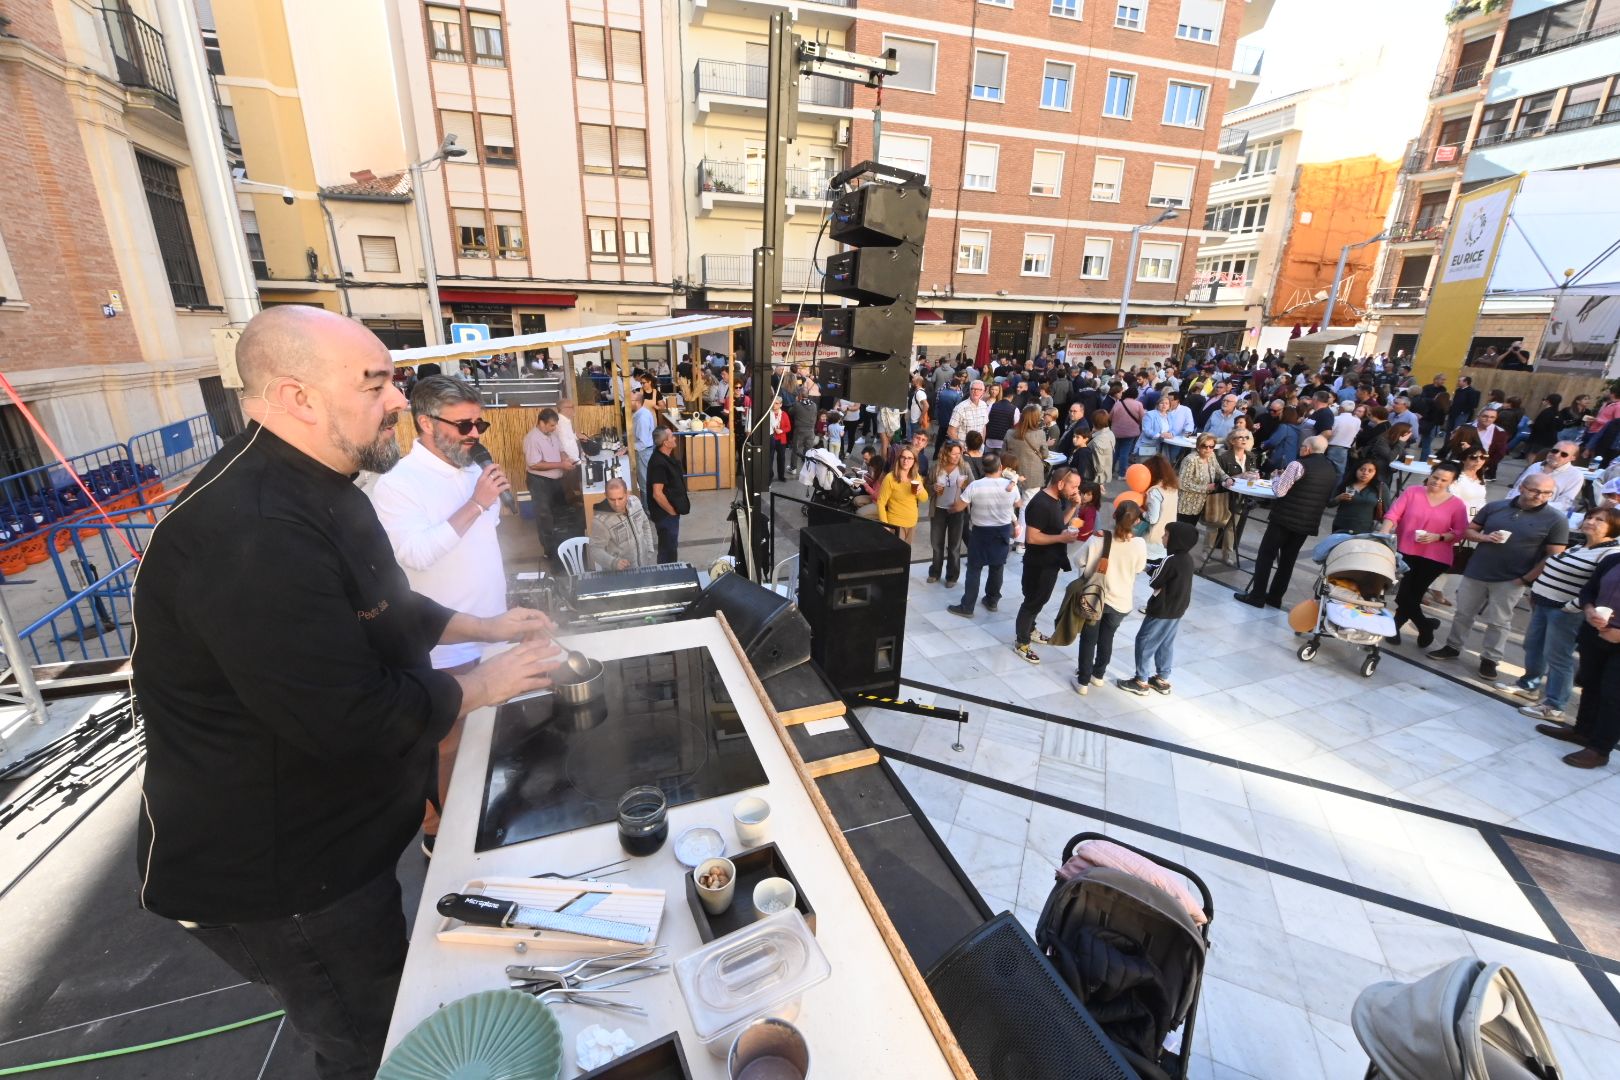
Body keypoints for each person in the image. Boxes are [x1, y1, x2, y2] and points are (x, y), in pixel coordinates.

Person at [131, 307, 559, 1080]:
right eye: (376, 383)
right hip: (283, 874)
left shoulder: (329, 486)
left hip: (336, 843)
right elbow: (347, 714)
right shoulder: (251, 534)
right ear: (297, 397)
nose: (398, 401)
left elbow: (388, 605)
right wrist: (484, 682)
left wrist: (487, 628)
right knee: (374, 1046)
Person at [369, 376, 511, 854]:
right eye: (465, 425)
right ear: (425, 423)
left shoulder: (475, 472)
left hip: (492, 630)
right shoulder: (397, 486)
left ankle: (480, 822)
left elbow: (481, 545)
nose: (476, 434)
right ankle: (440, 837)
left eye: (480, 423)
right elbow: (417, 554)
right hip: (444, 643)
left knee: (485, 741)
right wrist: (477, 503)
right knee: (444, 747)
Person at [1428, 474, 1568, 679]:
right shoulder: (1495, 507)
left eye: (1547, 493)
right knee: (1463, 613)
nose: (1541, 496)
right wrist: (1484, 537)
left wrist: (1526, 579)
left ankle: (1490, 659)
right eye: (1535, 490)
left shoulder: (1556, 519)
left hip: (1512, 578)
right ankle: (1452, 646)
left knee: (1499, 621)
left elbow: (1554, 555)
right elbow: (1468, 531)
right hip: (1477, 571)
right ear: (1522, 487)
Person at [1502, 509, 1620, 722]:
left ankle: (1555, 704)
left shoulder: (1610, 552)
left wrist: (1571, 606)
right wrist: (1537, 592)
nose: (1590, 522)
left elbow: (1596, 587)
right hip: (1544, 603)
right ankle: (1529, 685)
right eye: (1589, 517)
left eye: (1599, 520)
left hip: (1566, 611)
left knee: (1558, 656)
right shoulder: (1581, 545)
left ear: (1613, 526)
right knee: (1533, 645)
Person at [1536, 548, 1620, 768]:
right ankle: (1582, 731)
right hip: (1595, 631)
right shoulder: (1613, 559)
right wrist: (1590, 609)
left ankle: (1600, 749)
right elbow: (1589, 591)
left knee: (1614, 695)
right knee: (1590, 683)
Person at [1234, 435, 1338, 609]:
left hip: (1284, 518)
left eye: (1303, 446)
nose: (1300, 448)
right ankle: (1275, 598)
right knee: (1287, 561)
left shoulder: (1297, 464)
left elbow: (1280, 491)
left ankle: (1257, 595)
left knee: (1266, 556)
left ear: (1308, 449)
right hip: (1307, 521)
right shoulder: (1331, 468)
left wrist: (1276, 478)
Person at [1379, 462, 1471, 647]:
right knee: (1404, 595)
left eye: (1443, 480)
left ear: (1452, 482)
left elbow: (1461, 531)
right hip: (1406, 550)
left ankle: (1397, 627)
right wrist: (1383, 533)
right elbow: (1393, 514)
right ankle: (1425, 626)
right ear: (1430, 474)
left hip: (1435, 557)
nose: (1437, 482)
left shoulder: (1457, 504)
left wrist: (1439, 536)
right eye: (1435, 477)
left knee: (1411, 595)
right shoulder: (1413, 492)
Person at [1072, 501, 1147, 694]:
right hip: (1121, 601)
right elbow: (1139, 569)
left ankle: (1083, 681)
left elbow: (1078, 559)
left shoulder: (1098, 538)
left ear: (1114, 515)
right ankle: (1098, 675)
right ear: (1137, 521)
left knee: (1089, 639)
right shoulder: (1139, 544)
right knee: (1107, 638)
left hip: (1095, 597)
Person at [1117, 521, 1198, 696]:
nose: (1163, 537)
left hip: (1162, 609)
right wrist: (1151, 568)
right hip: (1176, 610)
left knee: (1144, 641)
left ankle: (1141, 681)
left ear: (1177, 539)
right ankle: (1162, 678)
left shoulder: (1170, 559)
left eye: (1166, 535)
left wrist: (1149, 570)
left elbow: (1156, 581)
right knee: (1165, 643)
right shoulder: (1187, 559)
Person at [1013, 466, 1083, 663]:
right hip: (1039, 564)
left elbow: (1057, 523)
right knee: (1032, 601)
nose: (1076, 491)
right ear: (1060, 484)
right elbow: (1033, 538)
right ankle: (1022, 642)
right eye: (1074, 486)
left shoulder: (1056, 499)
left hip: (1050, 562)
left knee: (1040, 600)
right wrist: (1061, 538)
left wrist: (1073, 507)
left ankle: (1031, 629)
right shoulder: (1041, 503)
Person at [948, 453, 1022, 618]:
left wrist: (956, 495)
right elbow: (1018, 504)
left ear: (983, 468)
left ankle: (967, 607)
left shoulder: (975, 486)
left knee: (974, 569)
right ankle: (992, 600)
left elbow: (959, 507)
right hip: (1002, 531)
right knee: (997, 567)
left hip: (980, 532)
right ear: (1000, 468)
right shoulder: (1011, 485)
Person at [523, 408, 579, 563]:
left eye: (555, 425)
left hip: (556, 480)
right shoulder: (532, 439)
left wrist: (566, 459)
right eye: (551, 425)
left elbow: (561, 450)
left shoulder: (553, 434)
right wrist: (561, 464)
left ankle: (563, 546)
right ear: (541, 423)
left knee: (560, 513)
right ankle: (550, 552)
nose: (554, 428)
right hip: (539, 482)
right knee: (545, 517)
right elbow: (534, 464)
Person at [927, 441, 972, 585]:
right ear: (945, 453)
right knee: (936, 543)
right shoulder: (936, 467)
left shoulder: (964, 467)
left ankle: (952, 576)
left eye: (959, 453)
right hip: (939, 509)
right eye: (953, 453)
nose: (956, 456)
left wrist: (964, 488)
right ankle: (935, 572)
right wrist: (933, 487)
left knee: (954, 546)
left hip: (957, 510)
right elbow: (926, 487)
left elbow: (973, 486)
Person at [590, 478, 658, 570]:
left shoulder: (636, 502)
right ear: (605, 496)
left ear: (627, 494)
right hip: (619, 575)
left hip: (643, 565)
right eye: (612, 499)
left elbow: (645, 524)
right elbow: (594, 550)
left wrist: (649, 549)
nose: (617, 504)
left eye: (620, 498)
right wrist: (613, 562)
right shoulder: (600, 522)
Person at [645, 427, 689, 562]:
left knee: (670, 547)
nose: (674, 438)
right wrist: (671, 511)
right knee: (667, 550)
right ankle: (667, 575)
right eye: (671, 437)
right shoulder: (659, 463)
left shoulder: (666, 456)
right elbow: (657, 494)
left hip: (669, 513)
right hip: (665, 515)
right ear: (665, 442)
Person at [1508, 441, 1586, 513]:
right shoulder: (1535, 466)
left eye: (1564, 454)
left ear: (1572, 458)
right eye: (1554, 451)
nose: (1556, 455)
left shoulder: (1575, 475)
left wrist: (1535, 506)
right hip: (1517, 507)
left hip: (1544, 514)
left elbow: (1565, 503)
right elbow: (1517, 489)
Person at [876, 445, 928, 543]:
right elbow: (881, 502)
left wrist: (920, 491)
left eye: (909, 458)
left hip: (912, 522)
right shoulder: (890, 478)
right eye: (903, 457)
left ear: (914, 461)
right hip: (895, 523)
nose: (906, 461)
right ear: (899, 459)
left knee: (906, 554)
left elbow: (924, 499)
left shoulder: (916, 477)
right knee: (897, 555)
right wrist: (885, 524)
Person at [1138, 454, 1181, 566]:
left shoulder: (1154, 491)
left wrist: (1140, 511)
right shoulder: (1172, 487)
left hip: (1151, 542)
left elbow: (1152, 518)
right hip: (1166, 537)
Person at [1330, 460, 1388, 536]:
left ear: (1375, 473)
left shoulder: (1380, 487)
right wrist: (1338, 498)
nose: (1365, 473)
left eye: (1370, 471)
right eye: (1362, 470)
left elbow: (1388, 510)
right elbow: (1329, 503)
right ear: (1356, 470)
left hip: (1364, 529)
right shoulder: (1347, 484)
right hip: (1341, 527)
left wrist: (1385, 529)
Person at [1110, 388, 1145, 477]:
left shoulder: (1118, 404)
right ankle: (1122, 474)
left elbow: (1110, 417)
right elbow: (1142, 418)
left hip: (1116, 432)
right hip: (1130, 432)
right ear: (1136, 395)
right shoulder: (1138, 404)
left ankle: (1110, 471)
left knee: (1115, 451)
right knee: (1124, 453)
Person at [1327, 400, 1361, 483]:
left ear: (1341, 408)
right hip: (1344, 448)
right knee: (1339, 473)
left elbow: (1330, 433)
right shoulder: (1357, 421)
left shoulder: (1336, 419)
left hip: (1334, 446)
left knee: (1332, 472)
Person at [947, 379, 990, 444]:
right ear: (970, 390)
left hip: (979, 450)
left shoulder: (984, 405)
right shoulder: (960, 408)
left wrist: (981, 445)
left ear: (983, 392)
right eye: (973, 389)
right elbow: (950, 431)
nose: (976, 391)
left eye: (979, 389)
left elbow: (983, 427)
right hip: (964, 450)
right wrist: (961, 448)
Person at [1262, 406, 1302, 475]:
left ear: (1285, 415)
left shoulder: (1284, 427)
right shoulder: (1296, 429)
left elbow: (1273, 441)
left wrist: (1263, 444)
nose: (1279, 415)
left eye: (1281, 413)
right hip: (1290, 461)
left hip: (1280, 460)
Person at [631, 388, 656, 496]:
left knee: (644, 485)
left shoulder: (642, 418)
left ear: (637, 402)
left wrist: (628, 448)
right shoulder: (641, 413)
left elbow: (643, 443)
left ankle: (647, 511)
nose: (627, 403)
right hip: (644, 452)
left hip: (644, 453)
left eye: (629, 401)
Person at [1088, 410, 1115, 489]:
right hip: (1105, 472)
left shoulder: (1098, 442)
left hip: (1096, 477)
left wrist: (1099, 481)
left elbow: (1099, 463)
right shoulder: (1110, 433)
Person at [769, 397, 792, 482]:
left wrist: (781, 430)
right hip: (771, 438)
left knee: (781, 458)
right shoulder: (769, 413)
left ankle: (781, 476)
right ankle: (769, 476)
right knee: (769, 458)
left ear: (781, 404)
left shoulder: (784, 414)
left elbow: (789, 427)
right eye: (773, 403)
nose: (774, 405)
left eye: (777, 403)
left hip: (781, 439)